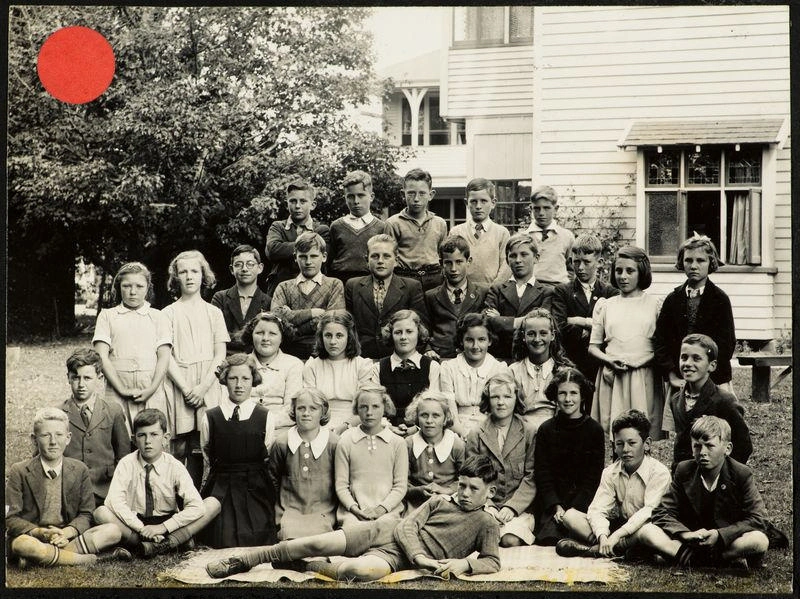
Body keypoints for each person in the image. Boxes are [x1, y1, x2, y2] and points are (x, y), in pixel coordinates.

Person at [205, 455, 501, 581]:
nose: (464, 492)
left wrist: (464, 564)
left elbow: (492, 561)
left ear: (491, 490)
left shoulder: (487, 524)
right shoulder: (439, 500)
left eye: (473, 488)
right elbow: (407, 526)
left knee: (360, 573)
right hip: (385, 532)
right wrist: (421, 557)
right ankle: (246, 560)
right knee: (317, 542)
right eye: (461, 485)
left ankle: (304, 567)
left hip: (397, 558)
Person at [636, 416, 772, 569]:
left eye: (710, 446)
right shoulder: (684, 470)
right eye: (697, 446)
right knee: (646, 531)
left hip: (725, 542)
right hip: (690, 540)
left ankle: (698, 559)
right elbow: (662, 512)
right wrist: (686, 534)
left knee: (759, 540)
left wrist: (719, 535)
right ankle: (708, 560)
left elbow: (758, 518)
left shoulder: (741, 473)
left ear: (727, 449)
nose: (702, 452)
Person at [6, 408, 132, 567]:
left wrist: (67, 532)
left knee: (113, 531)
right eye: (45, 435)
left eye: (59, 435)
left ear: (68, 438)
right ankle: (90, 559)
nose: (53, 441)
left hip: (66, 536)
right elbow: (10, 518)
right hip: (33, 536)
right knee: (22, 545)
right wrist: (41, 532)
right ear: (34, 439)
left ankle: (41, 557)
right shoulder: (19, 471)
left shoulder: (79, 469)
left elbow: (86, 513)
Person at [94, 409, 221, 557]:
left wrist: (163, 527)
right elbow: (114, 502)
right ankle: (154, 543)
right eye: (142, 435)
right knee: (100, 512)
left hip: (167, 523)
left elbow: (196, 506)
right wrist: (142, 528)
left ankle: (166, 543)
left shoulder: (174, 465)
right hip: (135, 523)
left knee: (213, 504)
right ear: (134, 440)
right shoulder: (126, 464)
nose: (148, 441)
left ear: (165, 438)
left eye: (154, 434)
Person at [557, 409, 671, 560]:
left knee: (648, 532)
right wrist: (603, 536)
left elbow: (649, 512)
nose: (625, 450)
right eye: (620, 444)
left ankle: (596, 551)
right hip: (622, 528)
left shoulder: (659, 472)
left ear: (647, 444)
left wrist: (617, 535)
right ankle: (611, 548)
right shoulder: (610, 472)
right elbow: (597, 508)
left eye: (632, 443)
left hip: (647, 527)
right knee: (570, 516)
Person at [654, 234, 737, 429]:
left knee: (714, 429)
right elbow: (660, 341)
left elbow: (727, 344)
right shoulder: (673, 300)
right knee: (684, 430)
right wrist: (672, 373)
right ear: (681, 263)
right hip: (682, 378)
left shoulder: (719, 299)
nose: (694, 265)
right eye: (688, 260)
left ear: (711, 263)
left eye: (700, 260)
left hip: (713, 378)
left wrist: (706, 372)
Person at [162, 250, 229, 487]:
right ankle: (178, 497)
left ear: (203, 275)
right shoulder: (168, 314)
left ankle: (201, 497)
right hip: (180, 383)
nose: (189, 276)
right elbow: (165, 356)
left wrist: (202, 388)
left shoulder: (214, 312)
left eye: (194, 271)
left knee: (203, 444)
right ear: (176, 277)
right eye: (183, 272)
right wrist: (186, 387)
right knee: (179, 445)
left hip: (207, 383)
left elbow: (220, 353)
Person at [200, 354, 277, 548]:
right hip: (222, 485)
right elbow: (207, 452)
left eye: (245, 379)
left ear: (254, 381)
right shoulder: (211, 416)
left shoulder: (265, 416)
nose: (239, 385)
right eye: (233, 378)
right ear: (225, 380)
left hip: (255, 486)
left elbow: (266, 449)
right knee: (220, 537)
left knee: (257, 535)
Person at [589, 246, 664, 440]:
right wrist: (609, 360)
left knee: (640, 432)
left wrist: (642, 361)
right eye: (619, 270)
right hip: (614, 375)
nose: (623, 276)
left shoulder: (654, 305)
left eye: (630, 271)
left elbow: (661, 348)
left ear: (642, 273)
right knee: (618, 429)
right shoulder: (607, 305)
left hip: (643, 375)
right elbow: (593, 347)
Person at [92, 261, 171, 436]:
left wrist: (151, 389)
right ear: (118, 286)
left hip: (151, 391)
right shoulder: (107, 316)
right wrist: (121, 389)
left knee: (151, 439)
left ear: (148, 288)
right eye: (127, 286)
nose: (133, 291)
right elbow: (101, 356)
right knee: (119, 440)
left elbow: (164, 357)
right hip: (117, 391)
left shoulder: (158, 317)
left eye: (139, 286)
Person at [533, 368, 605, 546]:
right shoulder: (546, 429)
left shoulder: (594, 430)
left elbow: (593, 477)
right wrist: (556, 506)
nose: (568, 399)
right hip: (553, 504)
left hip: (583, 502)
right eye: (562, 393)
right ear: (555, 397)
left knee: (576, 531)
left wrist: (575, 508)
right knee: (549, 539)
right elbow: (543, 473)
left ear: (582, 396)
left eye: (574, 393)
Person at [465, 372, 537, 547]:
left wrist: (512, 507)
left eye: (507, 396)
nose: (501, 402)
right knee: (485, 536)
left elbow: (531, 476)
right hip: (485, 506)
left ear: (516, 399)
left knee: (509, 540)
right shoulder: (476, 434)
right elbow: (473, 478)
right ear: (487, 400)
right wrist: (488, 505)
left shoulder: (529, 432)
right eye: (495, 397)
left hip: (520, 509)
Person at [551, 234, 620, 402]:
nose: (580, 267)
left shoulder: (610, 293)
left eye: (587, 262)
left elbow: (612, 330)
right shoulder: (562, 291)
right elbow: (559, 326)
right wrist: (596, 327)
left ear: (600, 262)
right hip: (572, 363)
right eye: (576, 261)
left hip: (599, 366)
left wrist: (579, 321)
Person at [59, 348, 130, 505]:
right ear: (68, 378)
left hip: (106, 492)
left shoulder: (113, 411)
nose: (81, 384)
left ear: (100, 378)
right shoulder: (58, 414)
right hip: (69, 494)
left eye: (87, 378)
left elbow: (123, 457)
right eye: (76, 378)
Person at [669, 334, 751, 469]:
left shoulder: (725, 401)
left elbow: (743, 446)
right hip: (686, 478)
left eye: (696, 358)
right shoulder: (676, 399)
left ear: (711, 366)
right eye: (684, 357)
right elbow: (680, 444)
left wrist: (724, 474)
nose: (688, 363)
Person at [268, 389, 339, 541]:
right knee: (289, 537)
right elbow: (272, 479)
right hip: (289, 512)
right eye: (301, 408)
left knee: (321, 540)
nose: (306, 413)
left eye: (313, 408)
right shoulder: (282, 442)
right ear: (294, 411)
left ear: (323, 411)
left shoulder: (334, 443)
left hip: (324, 512)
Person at [345, 233, 428, 360]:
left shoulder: (411, 287)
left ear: (396, 260)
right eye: (375, 256)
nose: (380, 261)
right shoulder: (353, 285)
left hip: (398, 357)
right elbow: (349, 325)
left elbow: (421, 326)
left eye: (386, 256)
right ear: (367, 259)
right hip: (362, 357)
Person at [334, 385, 408, 527]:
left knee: (385, 531)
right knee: (354, 533)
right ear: (356, 409)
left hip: (388, 511)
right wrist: (354, 509)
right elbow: (341, 485)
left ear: (384, 408)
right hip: (353, 513)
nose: (369, 412)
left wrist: (381, 510)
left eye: (375, 406)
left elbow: (400, 486)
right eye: (363, 407)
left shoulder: (397, 442)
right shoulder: (346, 441)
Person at [270, 231, 345, 360]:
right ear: (295, 257)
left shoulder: (334, 284)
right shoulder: (284, 286)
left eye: (314, 256)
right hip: (289, 354)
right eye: (303, 256)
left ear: (324, 256)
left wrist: (293, 323)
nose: (308, 261)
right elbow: (276, 320)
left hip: (323, 354)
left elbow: (333, 321)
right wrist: (313, 313)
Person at [303, 310, 377, 433]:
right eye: (328, 335)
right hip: (319, 424)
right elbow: (310, 405)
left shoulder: (361, 365)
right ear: (321, 337)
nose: (332, 342)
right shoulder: (312, 366)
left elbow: (366, 407)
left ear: (349, 336)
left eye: (339, 335)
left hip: (355, 424)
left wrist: (343, 427)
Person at [484, 232, 554, 362]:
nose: (518, 260)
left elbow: (542, 323)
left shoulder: (546, 292)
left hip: (533, 358)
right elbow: (487, 321)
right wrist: (526, 319)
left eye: (524, 254)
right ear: (507, 260)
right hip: (500, 357)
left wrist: (502, 321)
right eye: (513, 256)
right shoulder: (497, 290)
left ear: (536, 258)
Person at [440, 312, 509, 437]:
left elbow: (499, 410)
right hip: (456, 428)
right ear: (461, 341)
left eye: (481, 340)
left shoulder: (499, 369)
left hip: (490, 428)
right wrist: (463, 433)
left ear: (490, 341)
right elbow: (450, 412)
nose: (475, 346)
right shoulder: (449, 368)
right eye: (469, 340)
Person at [374, 309, 441, 432]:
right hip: (386, 430)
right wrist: (389, 428)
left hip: (422, 430)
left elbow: (433, 406)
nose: (403, 337)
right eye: (398, 332)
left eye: (409, 332)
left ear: (418, 333)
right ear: (391, 335)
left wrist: (416, 429)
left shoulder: (432, 367)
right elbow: (374, 406)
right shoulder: (378, 368)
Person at [424, 235, 488, 361]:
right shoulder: (430, 296)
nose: (453, 269)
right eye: (448, 263)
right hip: (440, 357)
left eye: (459, 262)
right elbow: (424, 328)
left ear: (468, 261)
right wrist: (428, 350)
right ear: (441, 263)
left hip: (472, 358)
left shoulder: (482, 292)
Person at [509, 308, 574, 430]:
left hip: (555, 432)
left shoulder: (564, 372)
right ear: (523, 336)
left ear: (553, 335)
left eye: (543, 333)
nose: (537, 339)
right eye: (531, 334)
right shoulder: (513, 371)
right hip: (520, 431)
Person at [264, 178, 330, 297]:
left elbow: (322, 259)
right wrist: (309, 245)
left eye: (303, 201)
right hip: (280, 290)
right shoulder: (278, 226)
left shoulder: (322, 230)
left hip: (314, 291)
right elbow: (273, 251)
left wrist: (284, 249)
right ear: (287, 204)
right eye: (293, 201)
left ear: (313, 205)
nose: (297, 206)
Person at [385, 168, 448, 292]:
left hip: (433, 277)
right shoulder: (393, 223)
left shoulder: (440, 223)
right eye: (411, 193)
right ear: (404, 194)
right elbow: (388, 257)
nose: (416, 199)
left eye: (422, 193)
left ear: (431, 195)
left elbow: (444, 255)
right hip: (404, 277)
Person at [403, 391, 466, 510]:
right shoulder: (409, 444)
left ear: (445, 418)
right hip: (415, 503)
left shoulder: (456, 445)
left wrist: (446, 490)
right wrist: (417, 490)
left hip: (449, 501)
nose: (429, 421)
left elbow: (465, 478)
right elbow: (402, 481)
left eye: (436, 415)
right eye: (424, 415)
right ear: (416, 417)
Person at [241, 312, 303, 431]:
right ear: (251, 335)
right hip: (244, 427)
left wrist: (264, 424)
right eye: (259, 333)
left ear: (282, 338)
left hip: (281, 429)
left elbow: (291, 410)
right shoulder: (241, 364)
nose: (265, 338)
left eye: (272, 334)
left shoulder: (293, 365)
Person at [327, 170, 388, 284]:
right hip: (340, 281)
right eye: (350, 196)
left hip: (370, 282)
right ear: (345, 198)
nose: (356, 201)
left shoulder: (381, 227)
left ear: (371, 196)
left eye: (361, 195)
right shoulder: (336, 226)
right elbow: (329, 260)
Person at [211, 244, 272, 355]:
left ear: (260, 268)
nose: (244, 269)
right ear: (231, 269)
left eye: (250, 264)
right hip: (225, 357)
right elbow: (215, 334)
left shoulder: (268, 301)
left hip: (256, 358)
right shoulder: (220, 298)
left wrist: (231, 336)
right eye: (238, 265)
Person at [449, 177, 510, 287]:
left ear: (493, 203)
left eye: (483, 201)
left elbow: (506, 266)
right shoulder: (456, 232)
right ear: (466, 203)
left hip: (492, 292)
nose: (478, 206)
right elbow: (451, 263)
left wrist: (494, 289)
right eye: (473, 201)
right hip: (463, 292)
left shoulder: (502, 233)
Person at [524, 185, 575, 287]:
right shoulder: (524, 238)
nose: (541, 213)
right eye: (537, 209)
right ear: (531, 209)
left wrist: (564, 287)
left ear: (556, 209)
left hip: (558, 291)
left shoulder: (567, 237)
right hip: (531, 290)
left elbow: (572, 269)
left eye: (546, 208)